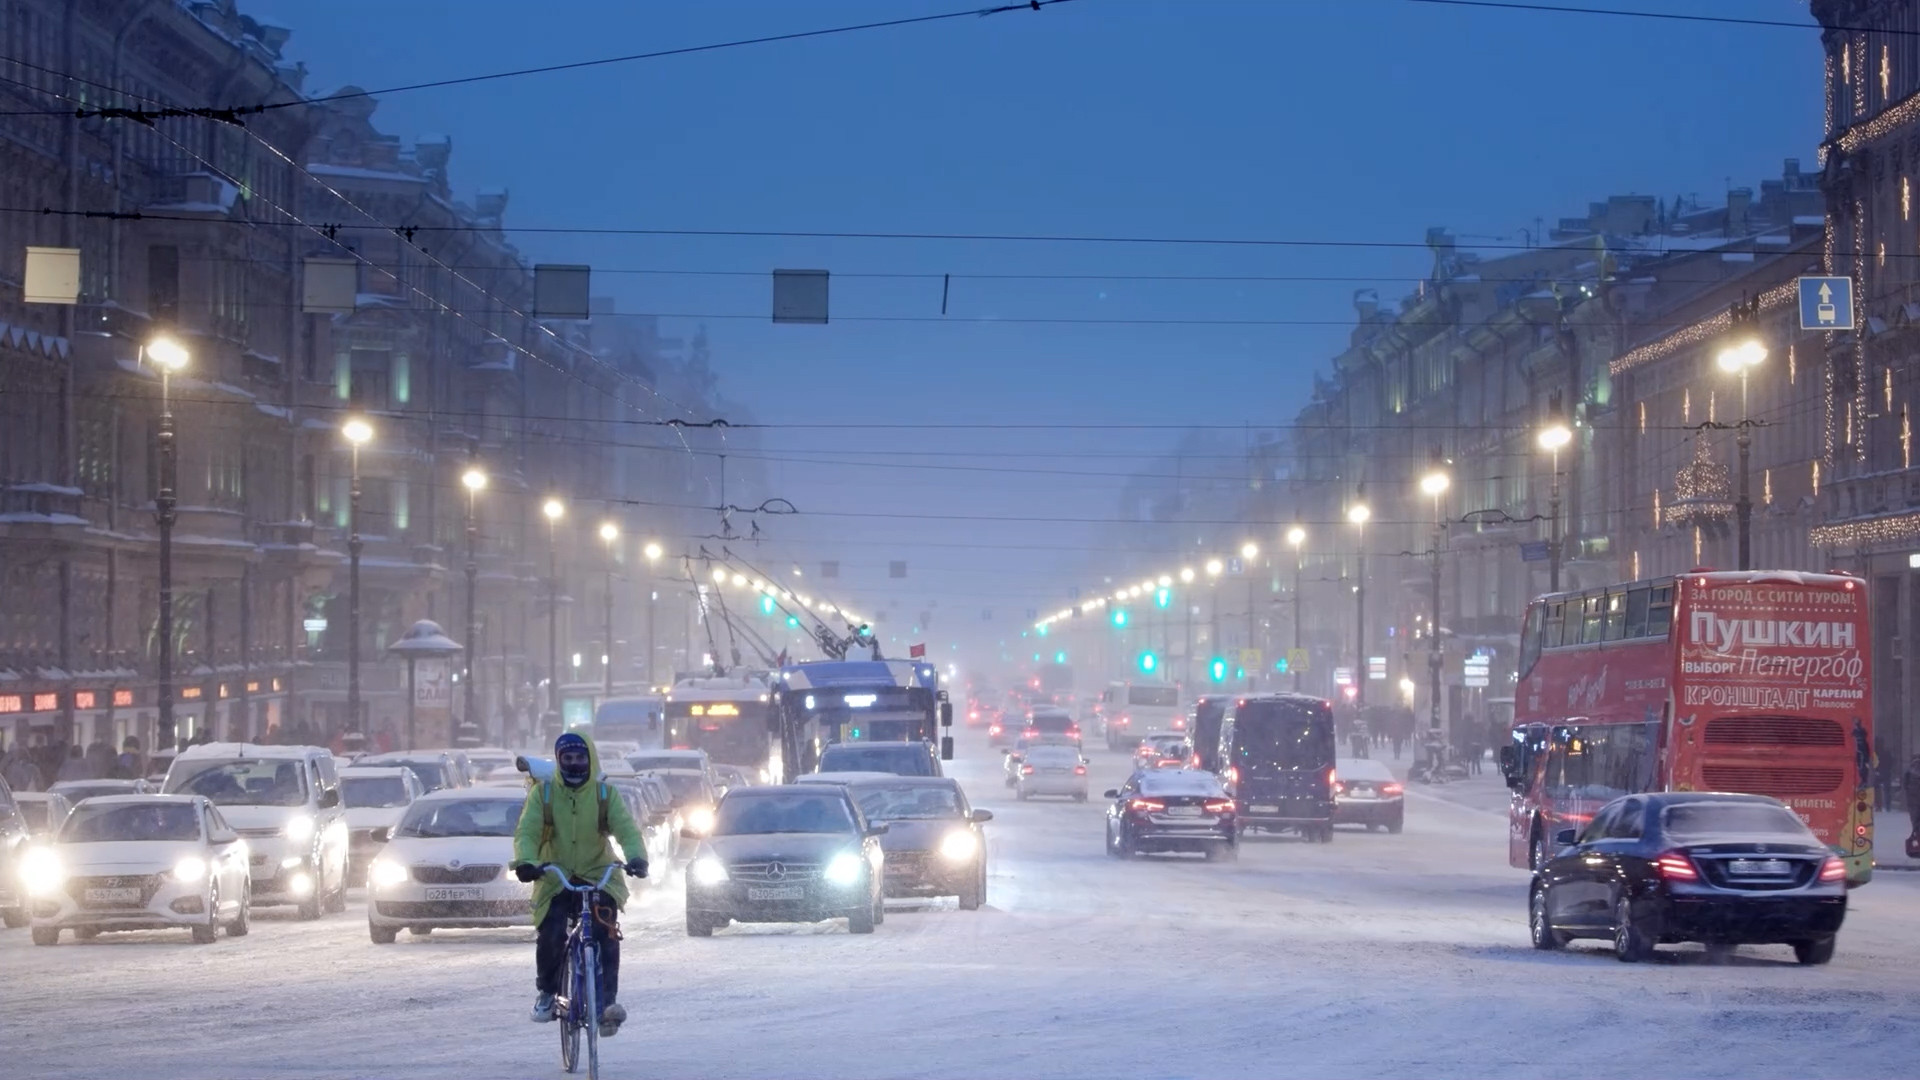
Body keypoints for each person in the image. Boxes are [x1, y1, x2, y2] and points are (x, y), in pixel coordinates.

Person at [511, 733, 647, 1037]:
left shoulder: (604, 795)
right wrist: (525, 862)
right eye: (568, 759)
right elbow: (528, 832)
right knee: (553, 930)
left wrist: (637, 858)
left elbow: (626, 829)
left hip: (598, 873)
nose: (575, 764)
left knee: (606, 932)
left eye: (581, 758)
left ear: (590, 759)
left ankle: (607, 1006)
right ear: (559, 761)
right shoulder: (543, 795)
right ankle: (547, 993)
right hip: (555, 875)